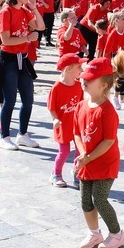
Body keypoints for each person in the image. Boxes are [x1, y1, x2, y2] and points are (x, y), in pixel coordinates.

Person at [73, 56, 124, 248]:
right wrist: (83, 154)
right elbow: (77, 133)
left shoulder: (108, 111)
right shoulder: (81, 106)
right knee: (85, 201)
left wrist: (88, 157)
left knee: (100, 199)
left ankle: (117, 234)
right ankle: (94, 232)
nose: (83, 81)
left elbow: (108, 141)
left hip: (105, 162)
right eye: (83, 77)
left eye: (90, 79)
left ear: (104, 85)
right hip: (86, 161)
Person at [0, 0, 44, 150]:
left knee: (28, 99)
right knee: (9, 100)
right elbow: (6, 40)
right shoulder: (5, 12)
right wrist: (28, 38)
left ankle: (23, 134)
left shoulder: (23, 11)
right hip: (8, 58)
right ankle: (5, 136)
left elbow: (41, 26)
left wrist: (34, 7)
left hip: (23, 58)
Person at [48, 54, 85, 188]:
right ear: (68, 69)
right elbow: (51, 107)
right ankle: (55, 174)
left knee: (79, 150)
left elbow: (81, 104)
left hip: (76, 124)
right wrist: (55, 119)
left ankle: (76, 172)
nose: (82, 70)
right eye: (79, 67)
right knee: (64, 152)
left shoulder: (78, 85)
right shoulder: (57, 87)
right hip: (62, 125)